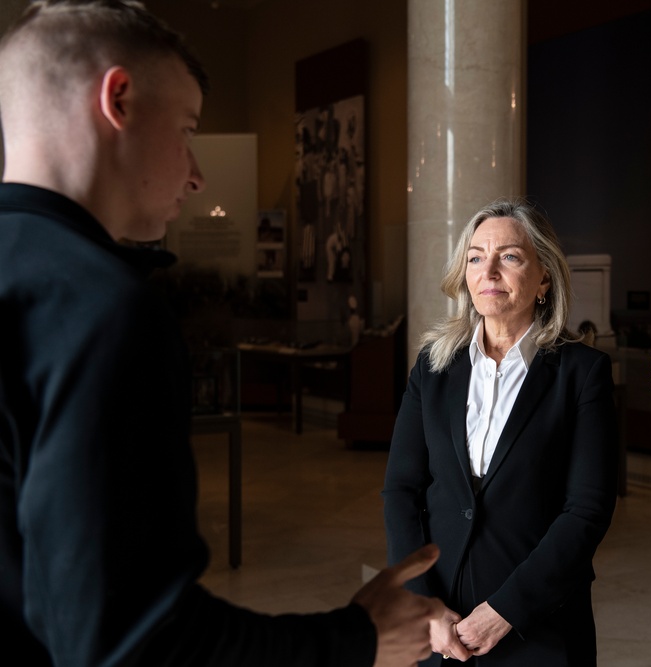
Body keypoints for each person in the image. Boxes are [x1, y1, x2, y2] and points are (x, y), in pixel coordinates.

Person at [0, 2, 441, 665]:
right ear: (117, 98)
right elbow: (132, 640)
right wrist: (362, 638)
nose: (197, 172)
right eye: (186, 129)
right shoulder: (100, 305)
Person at [382, 198, 619, 665]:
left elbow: (586, 511)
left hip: (541, 625)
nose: (488, 271)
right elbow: (400, 491)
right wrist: (423, 603)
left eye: (509, 256)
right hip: (441, 626)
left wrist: (506, 610)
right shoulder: (432, 368)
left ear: (544, 277)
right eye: (475, 257)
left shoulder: (582, 373)